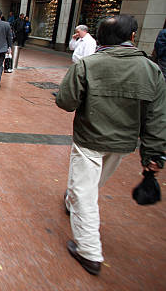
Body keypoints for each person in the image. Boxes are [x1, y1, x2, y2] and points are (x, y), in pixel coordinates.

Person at [56, 14, 166, 276]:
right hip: (123, 143)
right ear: (131, 37)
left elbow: (65, 101)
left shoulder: (88, 65)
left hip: (90, 138)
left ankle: (90, 252)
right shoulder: (151, 70)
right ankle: (73, 203)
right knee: (88, 185)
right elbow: (157, 116)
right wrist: (154, 154)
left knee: (85, 191)